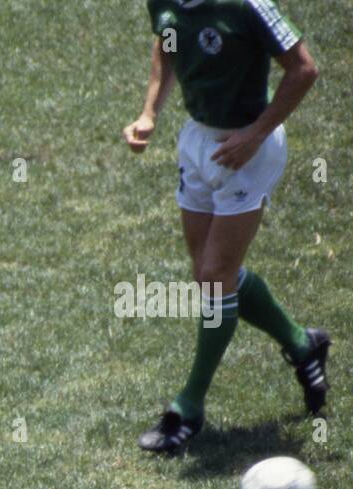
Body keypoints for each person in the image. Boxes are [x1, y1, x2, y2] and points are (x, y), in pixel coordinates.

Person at [123, 0, 328, 454]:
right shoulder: (166, 2)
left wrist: (255, 135)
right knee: (211, 276)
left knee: (214, 277)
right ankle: (301, 343)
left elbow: (304, 70)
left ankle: (188, 408)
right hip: (198, 142)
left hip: (250, 151)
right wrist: (149, 112)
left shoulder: (247, 6)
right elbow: (169, 42)